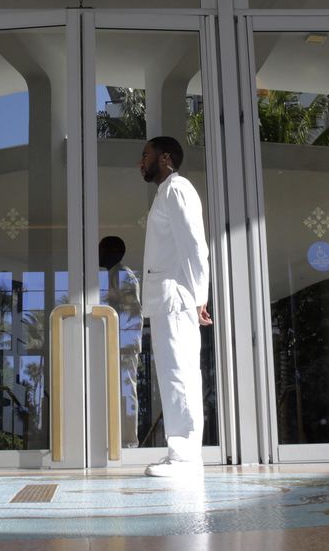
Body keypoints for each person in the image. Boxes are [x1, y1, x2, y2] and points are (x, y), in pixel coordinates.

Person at [139, 136, 211, 478]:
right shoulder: (165, 192)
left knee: (179, 374)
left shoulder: (177, 189)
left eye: (146, 155)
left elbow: (195, 245)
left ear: (165, 158)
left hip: (177, 297)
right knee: (173, 376)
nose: (141, 162)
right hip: (168, 298)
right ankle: (181, 453)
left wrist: (199, 297)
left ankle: (184, 457)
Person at [98, 235, 143, 449]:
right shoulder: (114, 274)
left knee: (126, 390)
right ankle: (117, 439)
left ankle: (128, 442)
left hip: (123, 344)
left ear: (114, 252)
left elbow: (130, 312)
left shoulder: (122, 274)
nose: (98, 253)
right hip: (118, 343)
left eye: (102, 249)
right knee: (118, 391)